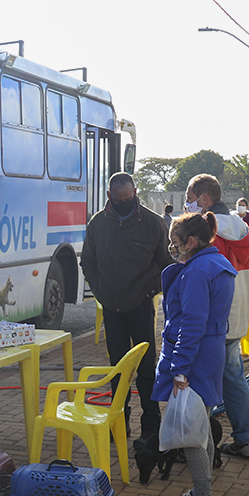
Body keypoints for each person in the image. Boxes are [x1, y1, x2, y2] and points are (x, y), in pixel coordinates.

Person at [81, 172, 172, 449]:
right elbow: (88, 262)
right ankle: (118, 422)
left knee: (146, 369)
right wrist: (101, 292)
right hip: (112, 307)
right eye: (118, 199)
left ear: (135, 192)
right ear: (109, 197)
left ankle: (151, 425)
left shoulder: (153, 223)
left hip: (141, 306)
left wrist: (148, 291)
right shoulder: (98, 223)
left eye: (128, 198)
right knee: (117, 368)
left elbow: (166, 265)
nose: (124, 203)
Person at [156, 212, 236, 496]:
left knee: (189, 432)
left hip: (195, 356)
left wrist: (179, 368)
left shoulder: (196, 272)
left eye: (175, 243)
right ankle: (201, 489)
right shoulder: (217, 264)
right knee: (200, 427)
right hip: (210, 351)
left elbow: (191, 324)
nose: (172, 248)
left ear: (191, 242)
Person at [186, 175, 249, 458]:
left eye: (191, 197)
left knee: (201, 379)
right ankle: (246, 438)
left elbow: (200, 283)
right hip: (238, 316)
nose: (188, 203)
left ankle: (198, 445)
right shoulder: (243, 228)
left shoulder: (208, 235)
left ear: (204, 199)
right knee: (234, 378)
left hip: (212, 321)